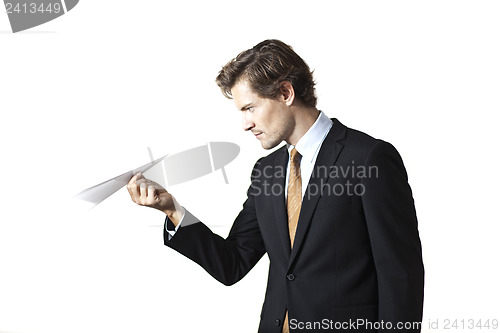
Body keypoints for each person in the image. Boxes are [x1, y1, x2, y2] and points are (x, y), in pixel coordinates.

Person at [127, 39, 424, 332]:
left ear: (285, 92)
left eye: (250, 108)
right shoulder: (266, 172)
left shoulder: (368, 158)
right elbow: (232, 263)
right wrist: (172, 209)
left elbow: (401, 277)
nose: (245, 124)